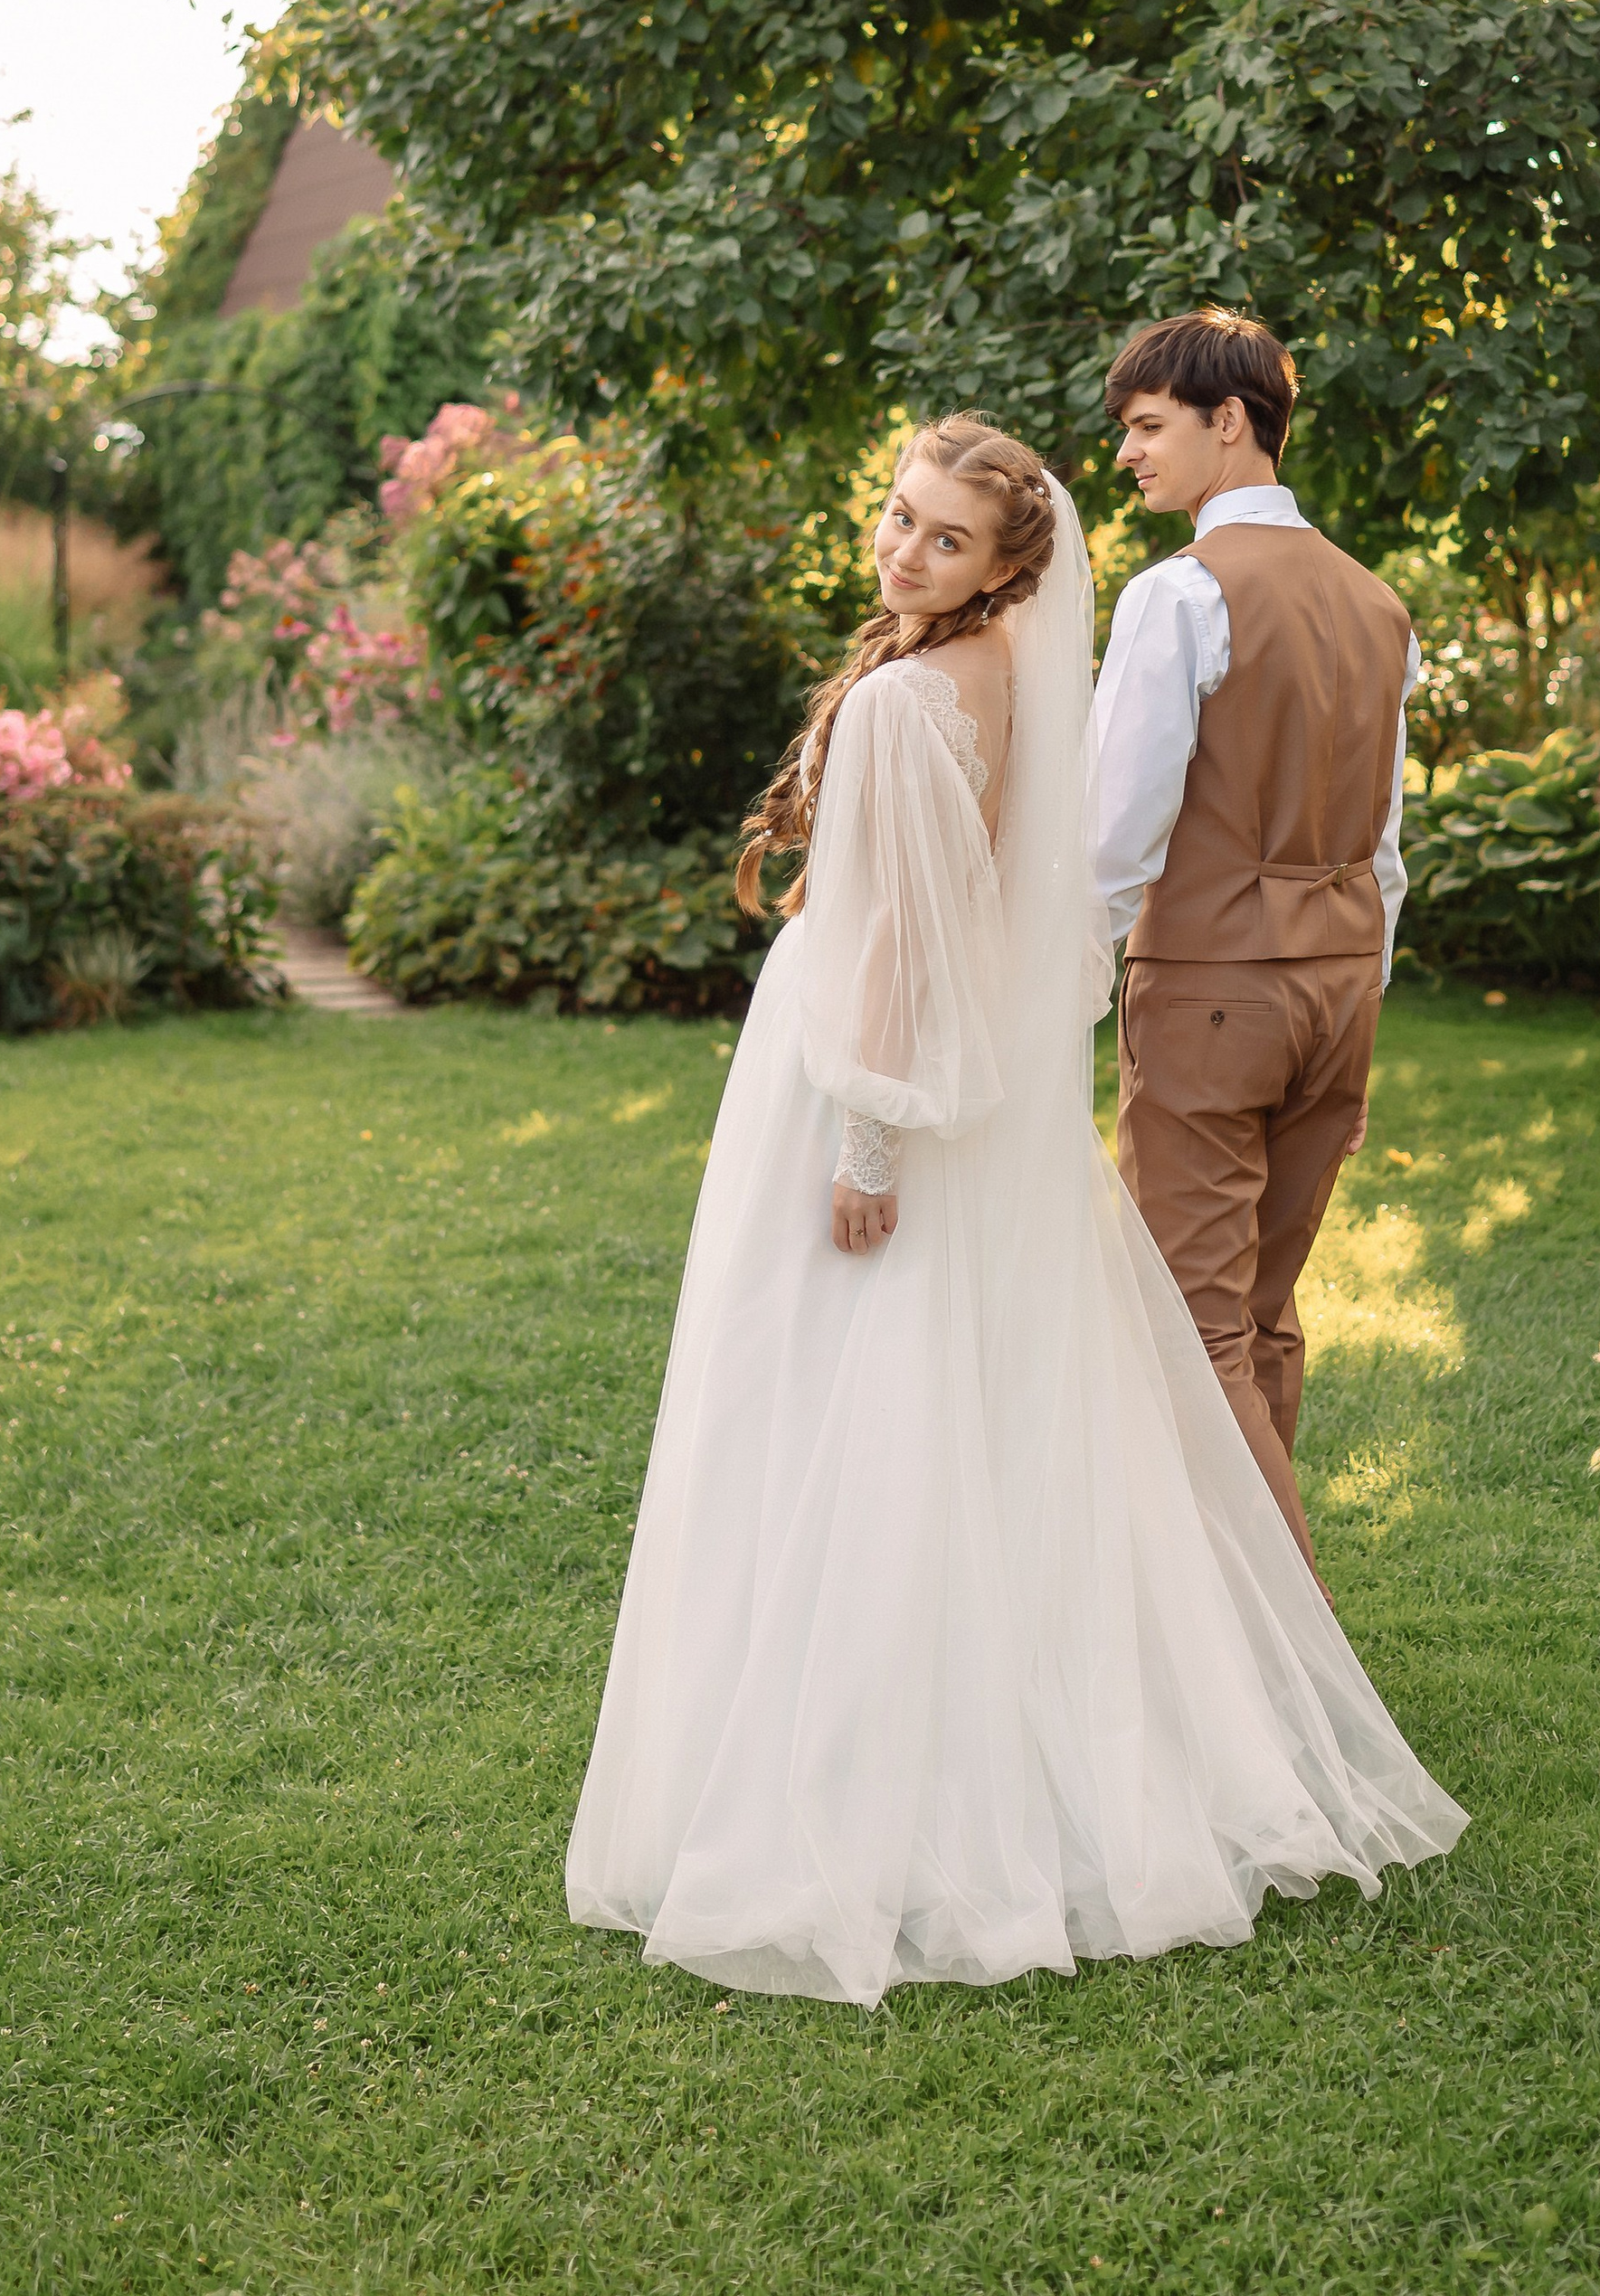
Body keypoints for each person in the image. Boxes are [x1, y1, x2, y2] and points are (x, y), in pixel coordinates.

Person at [566, 412, 1463, 2007]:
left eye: (947, 539)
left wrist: (869, 1145)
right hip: (976, 1085)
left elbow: (903, 941)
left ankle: (870, 1777)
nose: (907, 551)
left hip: (874, 1077)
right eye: (900, 517)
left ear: (1004, 568)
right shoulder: (1014, 683)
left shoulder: (908, 699)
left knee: (851, 1393)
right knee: (983, 1399)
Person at [1094, 310, 1418, 1587]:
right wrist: (1357, 983)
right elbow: (1385, 840)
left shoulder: (1178, 596)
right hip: (1340, 990)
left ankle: (1287, 1645)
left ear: (1230, 421)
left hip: (1214, 993)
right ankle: (1230, 1618)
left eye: (1147, 425)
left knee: (1190, 1322)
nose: (1128, 453)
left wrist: (1063, 983)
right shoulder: (1379, 604)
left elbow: (1118, 834)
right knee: (1260, 1310)